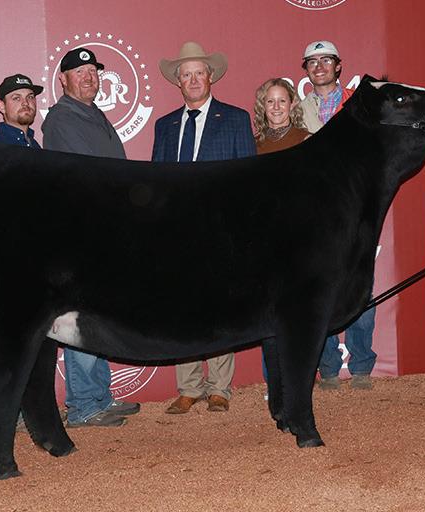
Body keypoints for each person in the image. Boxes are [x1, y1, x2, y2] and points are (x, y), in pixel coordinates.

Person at [152, 41, 256, 414]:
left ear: (211, 77)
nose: (193, 80)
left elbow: (248, 177)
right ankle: (189, 387)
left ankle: (220, 388)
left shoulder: (236, 119)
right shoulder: (165, 126)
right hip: (177, 232)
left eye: (199, 73)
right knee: (183, 308)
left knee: (220, 307)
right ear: (178, 81)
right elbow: (156, 181)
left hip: (221, 229)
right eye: (186, 75)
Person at [42, 47, 140, 427]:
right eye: (79, 72)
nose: (89, 77)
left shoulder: (93, 114)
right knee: (82, 316)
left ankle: (99, 395)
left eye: (93, 72)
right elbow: (87, 178)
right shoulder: (62, 119)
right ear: (63, 79)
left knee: (96, 316)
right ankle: (84, 403)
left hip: (103, 233)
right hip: (82, 235)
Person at [300, 40, 377, 390]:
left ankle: (361, 365)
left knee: (360, 281)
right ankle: (328, 366)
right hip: (315, 209)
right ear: (306, 70)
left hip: (356, 204)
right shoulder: (298, 110)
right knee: (319, 285)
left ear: (338, 65)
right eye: (312, 62)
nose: (319, 67)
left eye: (326, 60)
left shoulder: (360, 104)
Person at [0, 74, 43, 148]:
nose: (26, 103)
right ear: (2, 106)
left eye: (30, 97)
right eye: (17, 98)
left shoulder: (34, 145)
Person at [253, 78, 309, 154]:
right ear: (263, 105)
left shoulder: (304, 138)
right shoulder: (253, 143)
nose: (276, 107)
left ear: (292, 104)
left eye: (282, 101)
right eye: (270, 101)